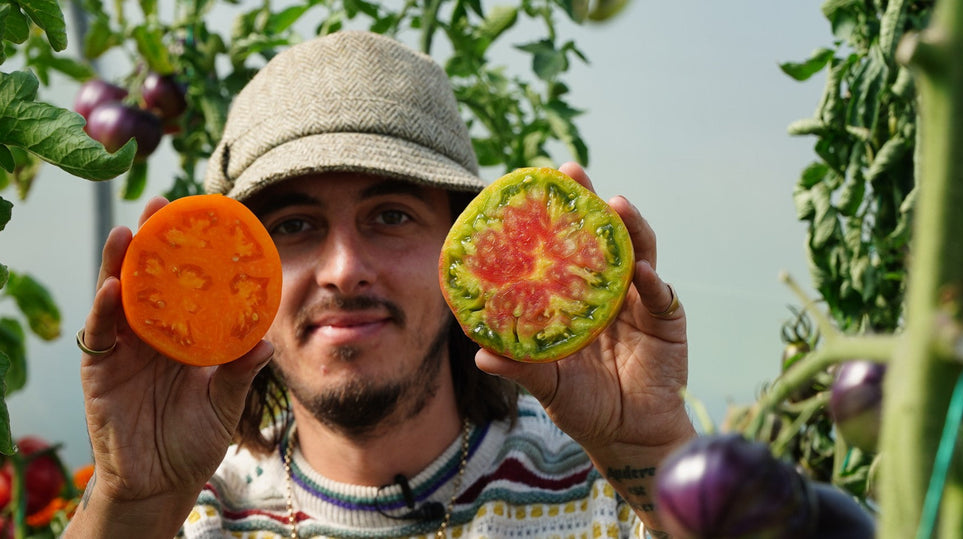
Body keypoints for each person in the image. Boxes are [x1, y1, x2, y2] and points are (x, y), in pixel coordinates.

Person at [66, 30, 695, 539]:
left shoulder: (614, 495)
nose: (344, 269)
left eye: (392, 216)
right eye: (294, 225)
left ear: (464, 246)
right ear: (237, 271)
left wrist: (649, 446)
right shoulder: (188, 518)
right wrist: (132, 503)